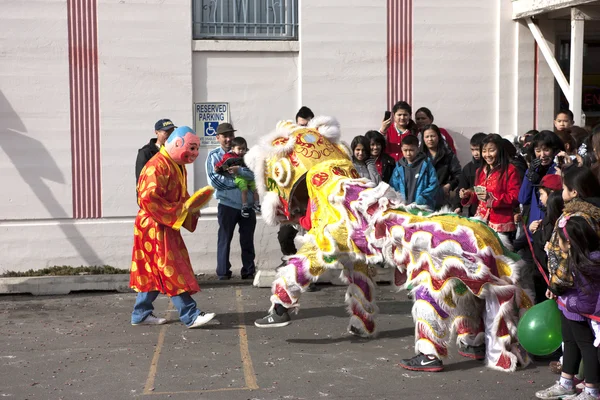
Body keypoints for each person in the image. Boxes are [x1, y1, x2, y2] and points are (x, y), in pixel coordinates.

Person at [130, 126, 215, 329]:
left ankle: (140, 313)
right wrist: (181, 210)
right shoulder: (156, 166)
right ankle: (190, 314)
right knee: (171, 267)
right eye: (192, 148)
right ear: (178, 144)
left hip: (163, 223)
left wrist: (191, 207)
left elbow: (180, 196)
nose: (194, 153)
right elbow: (147, 198)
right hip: (154, 224)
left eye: (196, 149)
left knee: (155, 269)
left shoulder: (176, 165)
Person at [535, 216, 600, 400]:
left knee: (585, 346)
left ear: (569, 243)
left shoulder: (577, 262)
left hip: (578, 309)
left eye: (560, 240)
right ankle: (566, 382)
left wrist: (556, 290)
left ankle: (592, 390)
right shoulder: (583, 257)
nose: (558, 243)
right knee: (570, 343)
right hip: (570, 306)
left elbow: (560, 280)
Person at [206, 122, 257, 280]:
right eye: (225, 136)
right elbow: (215, 181)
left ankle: (248, 271)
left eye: (231, 135)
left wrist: (240, 171)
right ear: (218, 138)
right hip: (227, 205)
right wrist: (238, 183)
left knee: (247, 240)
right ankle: (223, 272)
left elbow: (257, 175)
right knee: (224, 239)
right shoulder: (214, 156)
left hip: (247, 206)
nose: (229, 139)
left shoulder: (247, 155)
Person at [460, 134, 521, 241]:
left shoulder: (510, 170)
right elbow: (478, 194)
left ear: (500, 150)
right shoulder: (480, 171)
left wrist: (492, 198)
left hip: (500, 223)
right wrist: (468, 194)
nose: (487, 155)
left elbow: (515, 197)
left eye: (491, 150)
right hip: (480, 220)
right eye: (484, 151)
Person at [519, 130, 565, 236]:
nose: (542, 155)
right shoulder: (533, 169)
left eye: (546, 150)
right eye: (538, 151)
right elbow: (523, 198)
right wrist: (529, 176)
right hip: (534, 228)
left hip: (553, 228)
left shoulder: (559, 170)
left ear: (555, 150)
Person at [527, 174, 564, 303]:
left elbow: (544, 243)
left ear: (552, 194)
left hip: (547, 275)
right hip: (542, 271)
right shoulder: (549, 215)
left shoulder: (557, 219)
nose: (540, 198)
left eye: (542, 194)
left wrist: (536, 232)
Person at [214, 137, 261, 218]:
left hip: (249, 178)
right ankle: (244, 206)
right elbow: (225, 165)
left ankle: (257, 204)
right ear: (232, 149)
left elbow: (254, 171)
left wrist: (241, 170)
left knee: (256, 189)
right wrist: (219, 169)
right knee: (244, 189)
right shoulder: (230, 158)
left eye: (243, 149)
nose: (241, 151)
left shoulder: (248, 157)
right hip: (239, 178)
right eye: (239, 149)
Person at [389, 134, 438, 210]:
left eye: (411, 150)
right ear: (401, 149)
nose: (408, 153)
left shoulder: (426, 164)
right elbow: (393, 186)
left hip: (423, 207)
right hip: (404, 207)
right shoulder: (399, 166)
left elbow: (434, 184)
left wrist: (421, 199)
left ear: (417, 149)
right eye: (405, 150)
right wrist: (399, 202)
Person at [420, 124, 461, 209]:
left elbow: (458, 174)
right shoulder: (419, 156)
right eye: (427, 137)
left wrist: (449, 185)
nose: (430, 139)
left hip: (442, 197)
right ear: (423, 139)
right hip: (422, 197)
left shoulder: (448, 155)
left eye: (432, 136)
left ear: (438, 137)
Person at [454, 132, 487, 216]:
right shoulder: (468, 168)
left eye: (478, 150)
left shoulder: (493, 166)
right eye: (472, 149)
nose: (475, 153)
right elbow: (461, 187)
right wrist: (458, 205)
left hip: (493, 211)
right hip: (474, 212)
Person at [135, 118, 176, 184]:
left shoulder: (175, 151)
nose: (170, 135)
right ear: (156, 132)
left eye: (172, 132)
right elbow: (141, 180)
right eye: (166, 132)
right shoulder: (146, 152)